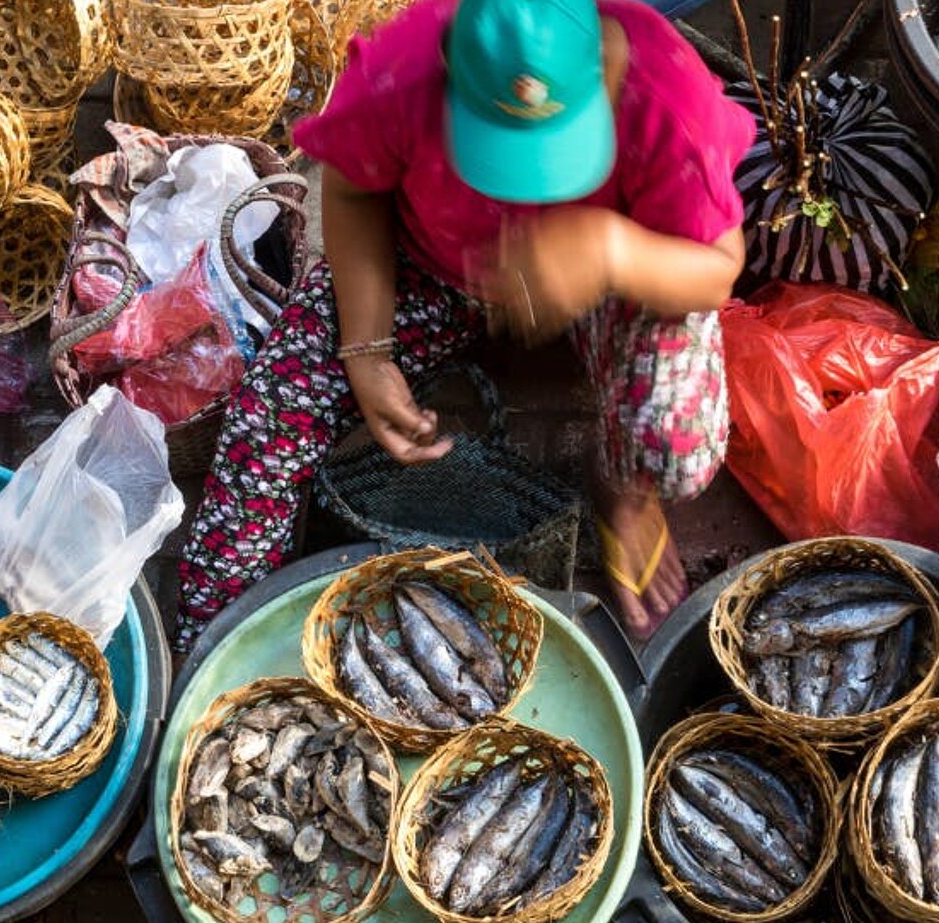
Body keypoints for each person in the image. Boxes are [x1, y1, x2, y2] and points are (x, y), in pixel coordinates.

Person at [173, 0, 754, 653]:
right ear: (447, 66)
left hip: (608, 284)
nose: (526, 197)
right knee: (271, 416)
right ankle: (215, 647)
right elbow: (354, 189)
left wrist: (608, 251)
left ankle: (621, 491)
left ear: (604, 66)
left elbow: (716, 270)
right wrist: (367, 351)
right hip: (432, 271)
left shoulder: (667, 96)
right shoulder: (402, 69)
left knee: (679, 450)